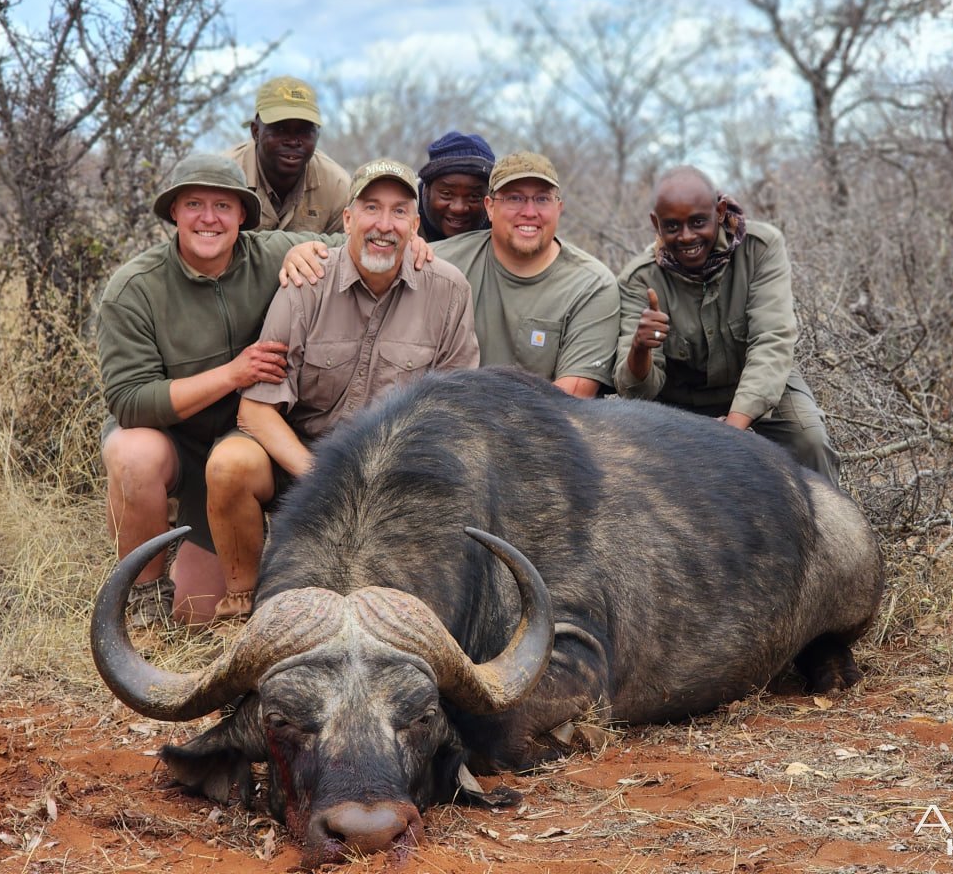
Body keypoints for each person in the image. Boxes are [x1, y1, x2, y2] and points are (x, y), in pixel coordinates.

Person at [98, 154, 433, 628]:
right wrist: (232, 374)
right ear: (173, 211)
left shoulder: (273, 251)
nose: (209, 218)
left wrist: (413, 243)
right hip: (173, 442)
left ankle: (236, 591)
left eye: (223, 206)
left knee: (197, 618)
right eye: (194, 204)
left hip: (239, 449)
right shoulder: (133, 287)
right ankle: (142, 603)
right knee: (134, 453)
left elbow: (360, 240)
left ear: (243, 215)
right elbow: (130, 402)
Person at [204, 159, 479, 619]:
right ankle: (243, 607)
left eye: (398, 212)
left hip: (396, 469)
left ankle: (412, 620)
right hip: (301, 460)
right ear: (348, 218)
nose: (384, 225)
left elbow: (456, 416)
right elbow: (254, 412)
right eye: (371, 208)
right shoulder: (306, 280)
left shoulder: (449, 290)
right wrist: (322, 476)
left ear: (415, 225)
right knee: (230, 465)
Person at [614, 165, 840, 484]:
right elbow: (635, 391)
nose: (687, 236)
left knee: (810, 443)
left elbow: (771, 342)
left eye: (697, 222)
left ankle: (828, 532)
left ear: (719, 212)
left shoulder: (760, 248)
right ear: (655, 224)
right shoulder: (639, 279)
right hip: (681, 402)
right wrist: (640, 350)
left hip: (760, 388)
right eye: (672, 226)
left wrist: (733, 430)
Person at [432, 151, 618, 397]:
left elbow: (572, 400)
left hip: (546, 432)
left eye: (542, 199)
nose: (529, 212)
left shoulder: (592, 285)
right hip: (446, 422)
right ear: (489, 207)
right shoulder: (439, 262)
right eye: (514, 198)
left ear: (558, 208)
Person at [226, 75, 349, 234]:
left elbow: (344, 253)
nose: (293, 141)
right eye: (280, 129)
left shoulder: (337, 186)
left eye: (304, 131)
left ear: (317, 135)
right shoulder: (224, 176)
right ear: (256, 131)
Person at [417, 130, 495, 241]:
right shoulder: (399, 217)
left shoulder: (501, 229)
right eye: (446, 194)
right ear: (426, 190)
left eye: (474, 197)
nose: (458, 208)